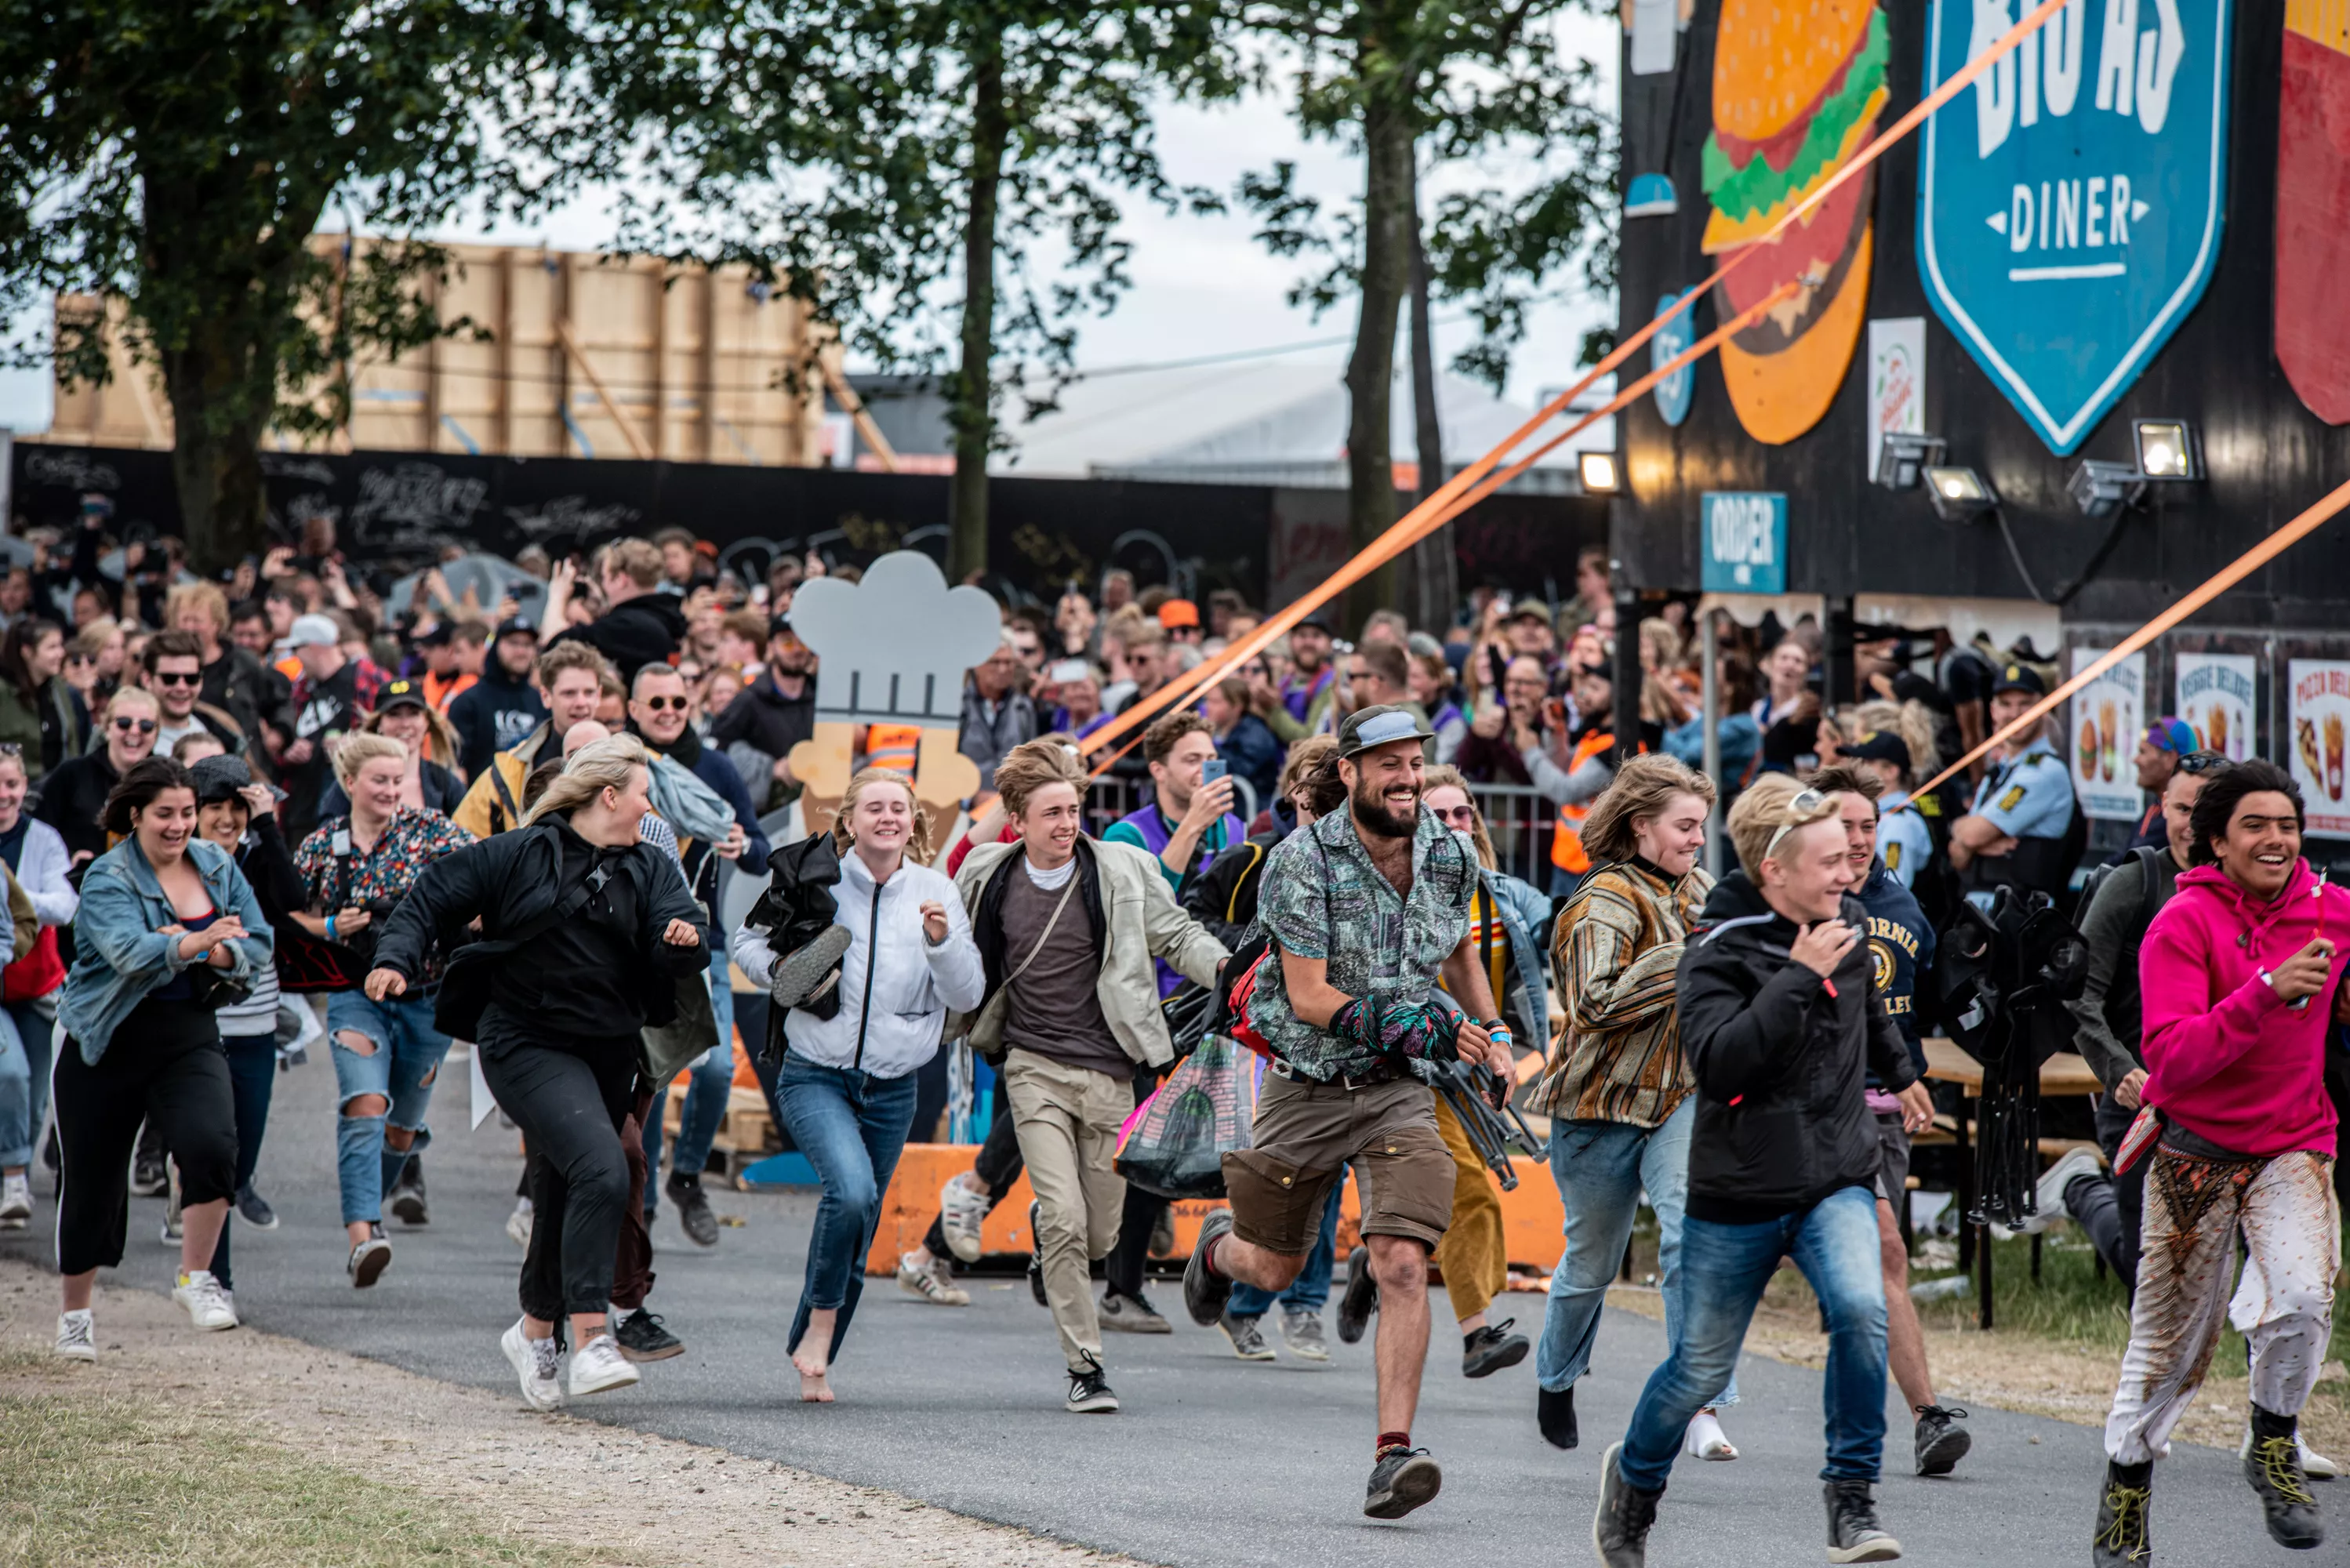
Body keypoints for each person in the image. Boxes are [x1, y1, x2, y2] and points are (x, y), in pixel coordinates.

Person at [1593, 776, 1930, 1568]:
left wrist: (1902, 1070)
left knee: (1861, 1310)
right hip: (1739, 1187)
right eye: (1828, 860)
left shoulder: (1846, 921)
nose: (1848, 870)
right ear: (1774, 869)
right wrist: (1797, 975)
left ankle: (1851, 1499)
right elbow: (1721, 1066)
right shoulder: (1716, 948)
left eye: (1849, 854)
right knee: (1699, 1369)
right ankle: (1634, 1486)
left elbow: (1865, 1005)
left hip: (1835, 1172)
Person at [1183, 705, 1509, 1519]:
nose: (1407, 777)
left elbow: (1458, 949)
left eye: (1415, 762)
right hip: (1308, 1081)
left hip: (1398, 1088)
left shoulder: (1448, 851)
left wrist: (1494, 1030)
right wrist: (1411, 1023)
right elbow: (1308, 995)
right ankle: (1218, 1251)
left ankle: (1393, 1456)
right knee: (1275, 1266)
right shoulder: (1301, 860)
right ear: (1351, 772)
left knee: (1400, 1259)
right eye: (1389, 763)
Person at [365, 735, 708, 1410]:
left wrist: (682, 938)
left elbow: (681, 930)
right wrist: (394, 959)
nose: (650, 808)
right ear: (607, 795)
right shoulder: (519, 852)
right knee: (604, 1168)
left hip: (608, 1052)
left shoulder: (648, 865)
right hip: (523, 1042)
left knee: (562, 1192)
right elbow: (431, 897)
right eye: (643, 795)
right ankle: (592, 1338)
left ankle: (532, 1334)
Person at [2090, 759, 2343, 1564]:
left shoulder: (2332, 911)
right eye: (2255, 825)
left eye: (2288, 825)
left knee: (2303, 1295)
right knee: (2170, 1348)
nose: (2276, 840)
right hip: (2193, 1152)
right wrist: (2265, 990)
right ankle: (2127, 1487)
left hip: (2294, 1141)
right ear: (2217, 841)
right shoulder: (2181, 921)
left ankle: (2271, 1439)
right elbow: (2169, 1059)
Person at [953, 738, 1229, 1414]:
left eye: (1072, 810)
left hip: (1111, 1072)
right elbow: (943, 938)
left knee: (1099, 1234)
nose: (1066, 824)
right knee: (1065, 1220)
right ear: (1017, 821)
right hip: (1032, 1067)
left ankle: (1053, 1240)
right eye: (1051, 813)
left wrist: (1228, 969)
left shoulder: (1123, 868)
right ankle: (1086, 1367)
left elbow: (1177, 936)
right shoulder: (987, 874)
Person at [735, 771, 982, 1401]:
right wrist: (782, 970)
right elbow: (747, 943)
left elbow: (967, 994)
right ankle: (819, 1331)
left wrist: (941, 944)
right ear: (849, 821)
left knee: (862, 1217)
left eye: (899, 807)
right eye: (874, 807)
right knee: (848, 1193)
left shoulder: (936, 892)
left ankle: (815, 1351)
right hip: (814, 1074)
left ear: (912, 822)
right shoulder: (811, 878)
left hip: (893, 1087)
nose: (888, 817)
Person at [1529, 754, 1738, 1457]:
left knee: (1690, 1234)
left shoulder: (1703, 890)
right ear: (1640, 825)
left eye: (1702, 826)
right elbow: (1594, 1005)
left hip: (1680, 1095)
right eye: (1685, 826)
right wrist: (1687, 954)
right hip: (1597, 1106)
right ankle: (1556, 1378)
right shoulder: (1603, 900)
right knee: (1592, 1263)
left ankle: (1698, 1398)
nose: (1697, 840)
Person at [52, 757, 272, 1359]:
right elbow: (128, 952)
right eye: (164, 814)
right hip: (106, 1038)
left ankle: (196, 1278)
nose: (178, 825)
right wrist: (200, 941)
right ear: (135, 815)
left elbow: (258, 942)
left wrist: (202, 949)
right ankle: (75, 1314)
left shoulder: (217, 864)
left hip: (187, 1034)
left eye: (187, 813)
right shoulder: (107, 876)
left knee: (213, 1145)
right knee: (93, 1183)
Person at [1809, 762, 1971, 1477]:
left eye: (1867, 825)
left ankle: (1925, 1421)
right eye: (1841, 824)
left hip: (1883, 1112)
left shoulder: (1902, 907)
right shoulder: (1795, 904)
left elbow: (1914, 1006)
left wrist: (1909, 1078)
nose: (1856, 838)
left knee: (1882, 1260)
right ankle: (1694, 1394)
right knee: (1881, 1251)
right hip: (1812, 1114)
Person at [293, 732, 475, 1285]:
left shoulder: (433, 833)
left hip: (427, 998)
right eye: (380, 781)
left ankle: (370, 1201)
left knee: (401, 1130)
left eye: (398, 780)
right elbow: (283, 915)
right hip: (356, 994)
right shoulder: (321, 845)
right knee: (365, 1103)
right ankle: (363, 1234)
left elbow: (489, 873)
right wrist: (328, 925)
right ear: (350, 783)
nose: (392, 791)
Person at [2045, 753, 2225, 1309]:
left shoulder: (2251, 891)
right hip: (2140, 1101)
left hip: (2222, 1101)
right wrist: (2119, 1069)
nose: (2191, 824)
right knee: (2147, 1269)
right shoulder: (2133, 882)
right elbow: (2077, 994)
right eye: (2182, 809)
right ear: (2162, 806)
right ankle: (2079, 1187)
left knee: (2213, 1258)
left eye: (2205, 812)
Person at [1186, 736, 1344, 1357]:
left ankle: (1305, 1307)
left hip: (1335, 1044)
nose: (1319, 794)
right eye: (1310, 780)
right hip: (1261, 1040)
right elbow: (1193, 913)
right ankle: (1244, 1299)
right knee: (1276, 1178)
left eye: (1332, 782)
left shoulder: (1360, 864)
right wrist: (1261, 949)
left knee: (1327, 1179)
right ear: (1292, 789)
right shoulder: (1257, 855)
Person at [1400, 767, 1544, 1379]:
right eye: (1439, 815)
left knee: (1448, 1197)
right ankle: (1475, 1331)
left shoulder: (1502, 893)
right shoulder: (1397, 889)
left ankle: (1381, 1269)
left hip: (1474, 1066)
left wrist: (1499, 1044)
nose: (1455, 824)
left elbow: (1553, 924)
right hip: (1407, 1065)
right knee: (1467, 1190)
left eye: (1463, 813)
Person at [626, 660, 768, 1246]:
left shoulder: (716, 768)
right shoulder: (621, 765)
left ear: (692, 707)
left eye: (678, 703)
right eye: (656, 703)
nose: (668, 713)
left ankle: (686, 1176)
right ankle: (642, 1195)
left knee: (716, 1067)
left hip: (702, 939)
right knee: (651, 1073)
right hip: (635, 944)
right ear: (633, 710)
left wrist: (741, 843)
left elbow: (759, 850)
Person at [187, 755, 302, 1288]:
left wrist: (266, 826)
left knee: (239, 1165)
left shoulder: (257, 859)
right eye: (215, 807)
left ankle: (206, 1262)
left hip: (256, 1031)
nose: (227, 818)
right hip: (196, 1032)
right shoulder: (179, 866)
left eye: (237, 807)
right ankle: (215, 1280)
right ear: (194, 811)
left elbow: (295, 899)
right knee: (216, 1158)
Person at [0, 743, 74, 1232]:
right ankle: (12, 1177)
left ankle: (16, 1177)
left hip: (34, 983)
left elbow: (64, 905)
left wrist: (9, 895)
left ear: (24, 787)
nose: (3, 795)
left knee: (33, 1095)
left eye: (11, 784)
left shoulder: (43, 839)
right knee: (9, 1074)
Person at [1948, 662, 2077, 906]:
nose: (2015, 713)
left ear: (2044, 707)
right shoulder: (1999, 773)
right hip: (1982, 910)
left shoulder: (2043, 772)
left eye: (2025, 703)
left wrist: (1970, 842)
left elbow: (1972, 836)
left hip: (2021, 913)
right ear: (1993, 711)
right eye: (2005, 704)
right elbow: (1957, 856)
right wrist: (1963, 836)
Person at [452, 641, 611, 839]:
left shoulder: (631, 762)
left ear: (599, 695)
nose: (581, 702)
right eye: (569, 693)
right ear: (545, 696)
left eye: (589, 692)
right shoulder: (509, 770)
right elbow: (462, 838)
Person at [1103, 710, 1245, 907]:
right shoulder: (1127, 835)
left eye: (1212, 759)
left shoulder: (1233, 827)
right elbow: (1143, 907)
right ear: (1158, 771)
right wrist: (1193, 824)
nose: (1204, 770)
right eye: (1192, 760)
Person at [281, 612, 384, 840]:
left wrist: (352, 745)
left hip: (344, 811)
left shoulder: (365, 678)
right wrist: (289, 751)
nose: (295, 657)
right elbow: (283, 741)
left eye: (297, 649)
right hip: (300, 808)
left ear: (314, 647)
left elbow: (389, 737)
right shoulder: (302, 687)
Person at [38, 686, 162, 869]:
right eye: (124, 723)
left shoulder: (167, 781)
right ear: (107, 727)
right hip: (80, 880)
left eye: (146, 726)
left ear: (157, 733)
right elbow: (39, 834)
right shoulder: (71, 774)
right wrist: (68, 858)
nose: (135, 731)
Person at [544, 539, 690, 684]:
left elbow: (554, 644)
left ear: (620, 580)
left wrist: (557, 595)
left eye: (604, 577)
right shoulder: (664, 615)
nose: (603, 585)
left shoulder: (627, 625)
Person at [711, 615, 817, 812]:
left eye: (802, 642)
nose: (796, 649)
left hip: (816, 806)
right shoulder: (751, 699)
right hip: (766, 811)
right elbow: (718, 747)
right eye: (787, 643)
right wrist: (769, 769)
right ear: (771, 647)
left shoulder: (821, 696)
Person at [318, 678, 463, 818]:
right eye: (394, 715)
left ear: (426, 722)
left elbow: (467, 830)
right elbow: (329, 827)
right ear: (379, 724)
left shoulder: (445, 783)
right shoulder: (357, 779)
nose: (405, 724)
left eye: (413, 714)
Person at [448, 615, 547, 779]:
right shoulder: (468, 702)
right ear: (496, 645)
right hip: (482, 793)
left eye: (528, 645)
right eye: (513, 643)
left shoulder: (542, 701)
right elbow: (456, 767)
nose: (521, 651)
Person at [0, 617, 81, 782]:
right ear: (27, 652)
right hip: (15, 787)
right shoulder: (4, 691)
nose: (61, 653)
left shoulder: (58, 687)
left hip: (59, 785)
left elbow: (72, 739)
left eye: (60, 645)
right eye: (52, 647)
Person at [960, 631, 1038, 793]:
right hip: (964, 803)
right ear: (977, 664)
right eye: (994, 662)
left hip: (1010, 803)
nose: (1002, 669)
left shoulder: (1023, 708)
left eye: (1008, 662)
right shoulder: (959, 706)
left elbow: (1031, 763)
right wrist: (970, 798)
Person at [2114, 717, 2199, 858]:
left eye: (2143, 752)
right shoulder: (2155, 809)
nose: (2135, 760)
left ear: (2170, 758)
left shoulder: (2178, 822)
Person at [1200, 676, 1280, 812]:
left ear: (1237, 706)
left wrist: (1209, 746)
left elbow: (1242, 770)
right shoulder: (1222, 732)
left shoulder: (1256, 734)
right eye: (1207, 700)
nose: (1207, 706)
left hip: (1253, 808)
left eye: (1215, 702)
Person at [1260, 612, 1339, 742]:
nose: (1308, 642)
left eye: (1316, 635)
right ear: (1290, 641)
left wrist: (1273, 708)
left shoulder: (1331, 684)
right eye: (1302, 635)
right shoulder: (1285, 681)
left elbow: (1312, 739)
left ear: (1329, 644)